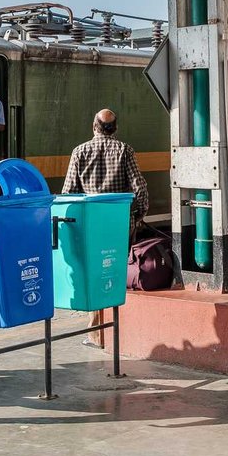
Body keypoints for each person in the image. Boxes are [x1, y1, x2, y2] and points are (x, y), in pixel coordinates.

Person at [63, 109, 150, 339]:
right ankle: (119, 332)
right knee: (117, 272)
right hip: (119, 224)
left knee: (94, 274)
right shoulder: (125, 150)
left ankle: (97, 334)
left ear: (94, 126)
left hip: (90, 227)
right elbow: (139, 187)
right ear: (115, 128)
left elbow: (69, 194)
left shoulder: (79, 152)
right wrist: (137, 216)